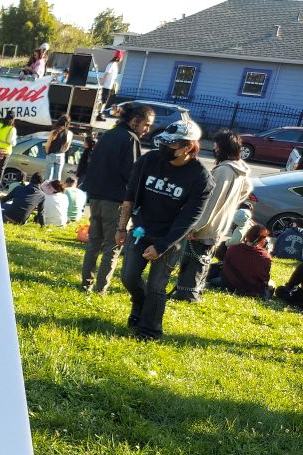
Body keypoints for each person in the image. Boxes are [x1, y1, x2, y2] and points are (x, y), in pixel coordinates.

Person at [117, 121, 213, 341]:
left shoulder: (201, 178)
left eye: (172, 144)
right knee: (129, 277)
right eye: (164, 142)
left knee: (156, 287)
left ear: (188, 147)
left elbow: (189, 218)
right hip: (141, 230)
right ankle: (140, 306)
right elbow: (130, 195)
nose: (164, 148)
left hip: (171, 238)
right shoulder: (149, 160)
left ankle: (150, 330)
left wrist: (161, 246)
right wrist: (121, 227)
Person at [79, 104, 155, 293]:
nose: (148, 130)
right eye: (147, 124)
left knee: (93, 243)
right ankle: (100, 289)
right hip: (115, 201)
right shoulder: (131, 139)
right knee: (112, 246)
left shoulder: (108, 135)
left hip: (95, 197)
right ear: (135, 120)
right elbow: (132, 175)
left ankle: (86, 284)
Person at [171, 129, 252, 301]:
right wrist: (230, 204)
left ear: (223, 147)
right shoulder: (241, 168)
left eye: (217, 146)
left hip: (207, 225)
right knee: (204, 259)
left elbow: (210, 202)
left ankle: (188, 295)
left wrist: (195, 227)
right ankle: (194, 292)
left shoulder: (223, 171)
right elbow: (247, 190)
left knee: (195, 260)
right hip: (220, 224)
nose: (214, 149)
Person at [208, 225, 272, 298]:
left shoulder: (233, 249)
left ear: (247, 235)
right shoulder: (265, 256)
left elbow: (225, 269)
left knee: (214, 278)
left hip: (229, 284)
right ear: (262, 240)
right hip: (251, 288)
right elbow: (265, 278)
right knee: (272, 285)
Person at [96, 50, 123, 120]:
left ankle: (100, 113)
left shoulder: (115, 65)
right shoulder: (112, 64)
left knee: (104, 101)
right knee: (103, 101)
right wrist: (102, 85)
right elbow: (106, 74)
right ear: (119, 58)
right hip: (106, 86)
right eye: (121, 58)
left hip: (109, 86)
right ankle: (99, 114)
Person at [0, 111, 17, 186]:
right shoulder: (12, 129)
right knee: (1, 169)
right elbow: (12, 142)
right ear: (13, 119)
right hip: (5, 151)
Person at [44, 116, 72, 180]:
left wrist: (47, 153)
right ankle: (56, 189)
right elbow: (67, 147)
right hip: (61, 156)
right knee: (57, 177)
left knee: (48, 176)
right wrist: (61, 152)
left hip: (51, 154)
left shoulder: (54, 132)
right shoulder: (70, 134)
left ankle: (46, 189)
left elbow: (47, 145)